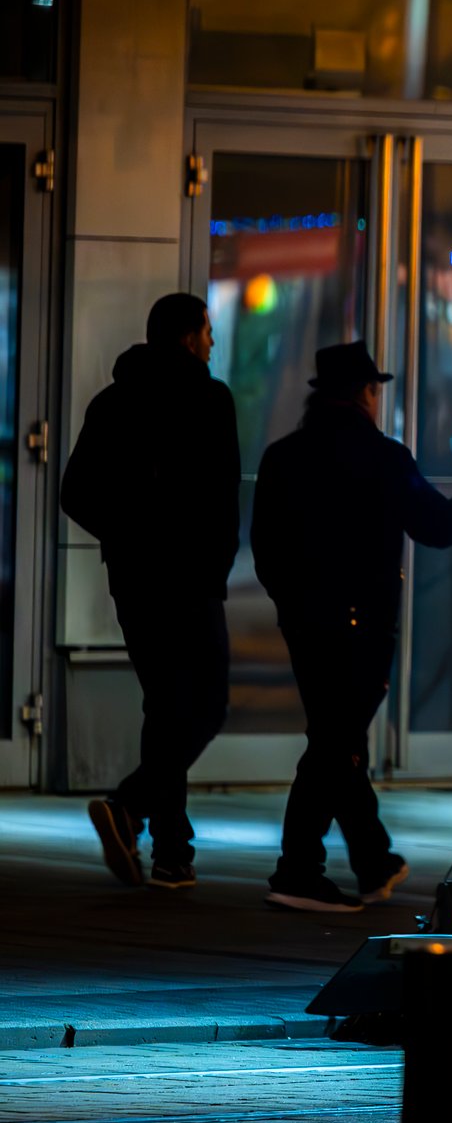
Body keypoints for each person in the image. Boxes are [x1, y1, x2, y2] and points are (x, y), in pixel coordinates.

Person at [250, 342, 452, 913]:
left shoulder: (283, 457)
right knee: (334, 741)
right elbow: (432, 522)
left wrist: (289, 601)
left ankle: (373, 860)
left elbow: (263, 544)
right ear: (366, 394)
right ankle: (297, 870)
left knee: (338, 735)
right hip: (361, 625)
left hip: (304, 621)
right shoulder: (381, 456)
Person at [60, 292, 239, 891]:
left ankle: (171, 852)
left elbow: (74, 492)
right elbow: (222, 497)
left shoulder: (113, 402)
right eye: (208, 332)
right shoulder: (210, 400)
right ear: (190, 337)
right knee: (206, 702)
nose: (212, 343)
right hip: (190, 577)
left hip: (134, 579)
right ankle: (132, 808)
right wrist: (215, 564)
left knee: (167, 705)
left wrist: (127, 535)